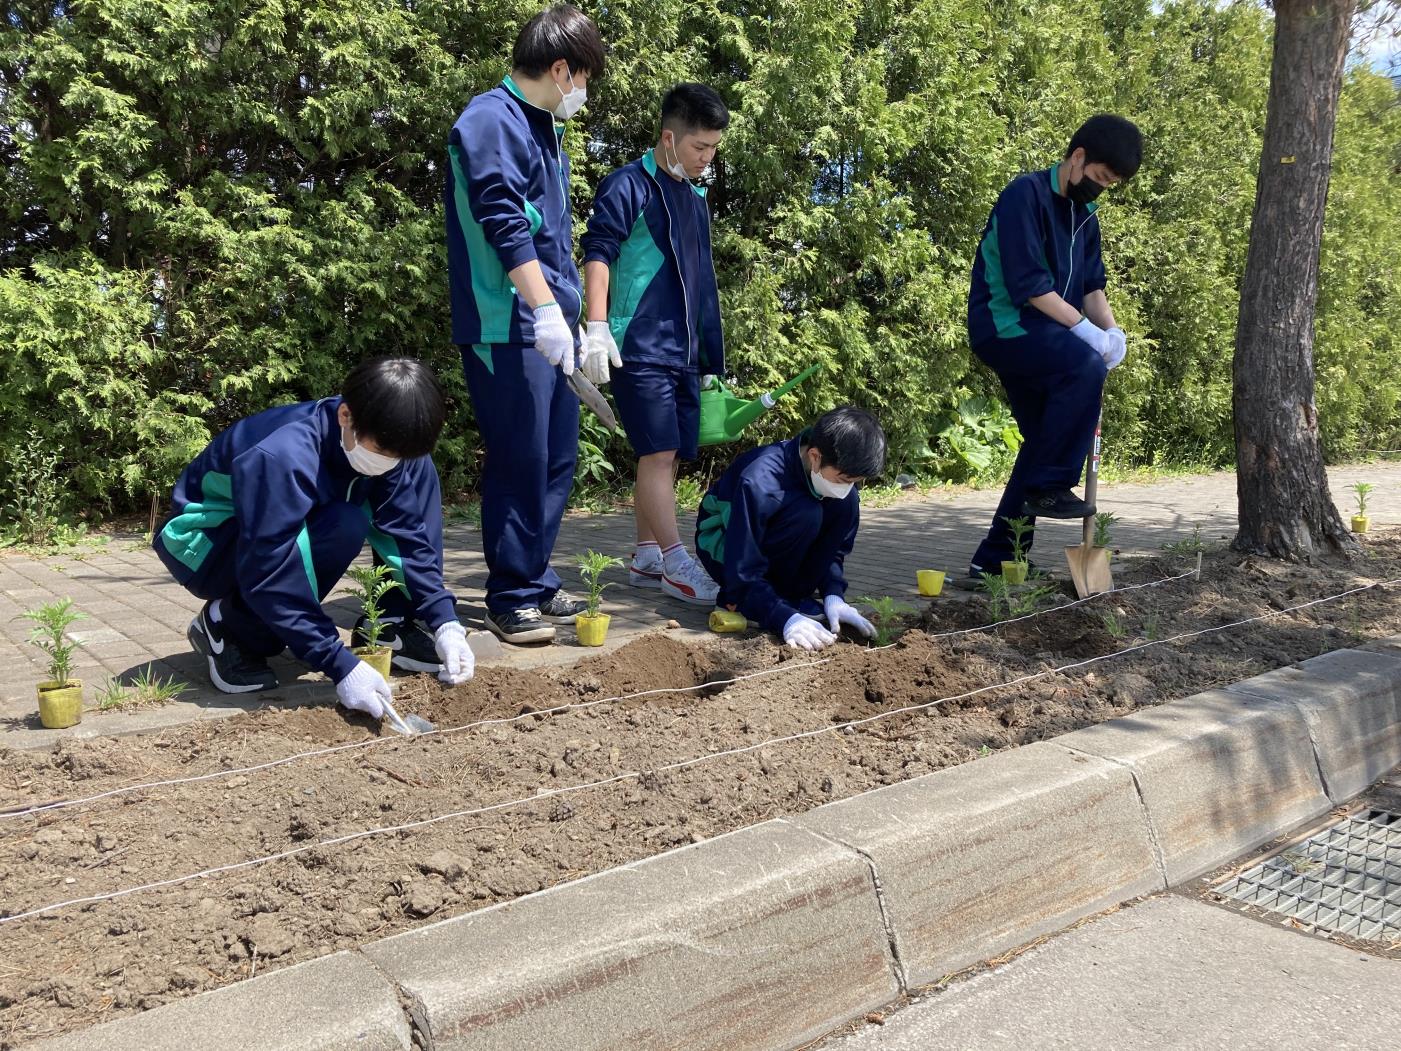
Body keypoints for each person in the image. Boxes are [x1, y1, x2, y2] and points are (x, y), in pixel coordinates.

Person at [152, 358, 475, 719]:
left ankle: (392, 623)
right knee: (341, 526)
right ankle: (228, 626)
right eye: (383, 452)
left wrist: (444, 621)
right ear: (345, 417)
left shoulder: (384, 444)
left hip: (266, 530)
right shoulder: (282, 455)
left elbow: (408, 538)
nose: (390, 462)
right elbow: (270, 570)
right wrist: (339, 663)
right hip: (205, 542)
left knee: (378, 499)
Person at [446, 4, 606, 644]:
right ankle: (510, 594)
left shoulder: (545, 127)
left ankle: (535, 578)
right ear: (561, 67)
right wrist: (542, 308)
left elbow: (553, 234)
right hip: (504, 322)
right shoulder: (489, 118)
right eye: (585, 79)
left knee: (557, 458)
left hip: (550, 325)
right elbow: (504, 222)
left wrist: (581, 321)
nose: (584, 94)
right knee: (521, 458)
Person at [964, 114, 1142, 581]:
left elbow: (1092, 288)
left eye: (1110, 185)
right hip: (1006, 324)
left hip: (1049, 334)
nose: (1100, 189)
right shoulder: (1025, 195)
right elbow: (1030, 286)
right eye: (1100, 178)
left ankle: (998, 560)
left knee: (1042, 440)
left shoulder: (1085, 217)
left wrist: (1113, 331)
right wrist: (1088, 336)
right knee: (1084, 367)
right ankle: (1051, 484)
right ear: (1078, 157)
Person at [580, 82, 729, 606]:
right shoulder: (628, 186)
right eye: (699, 147)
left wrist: (708, 352)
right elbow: (597, 253)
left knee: (663, 455)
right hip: (637, 344)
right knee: (659, 452)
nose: (706, 157)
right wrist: (595, 327)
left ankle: (645, 554)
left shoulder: (692, 195)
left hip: (684, 351)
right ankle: (675, 562)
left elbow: (699, 279)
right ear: (670, 138)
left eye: (713, 148)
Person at [694, 406, 886, 651]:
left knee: (845, 504)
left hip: (768, 543)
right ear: (815, 456)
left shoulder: (831, 480)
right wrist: (781, 616)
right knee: (806, 513)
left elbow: (833, 551)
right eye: (843, 480)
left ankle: (790, 598)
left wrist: (833, 595)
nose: (847, 487)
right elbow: (741, 564)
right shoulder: (761, 482)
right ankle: (745, 602)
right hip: (723, 544)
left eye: (855, 482)